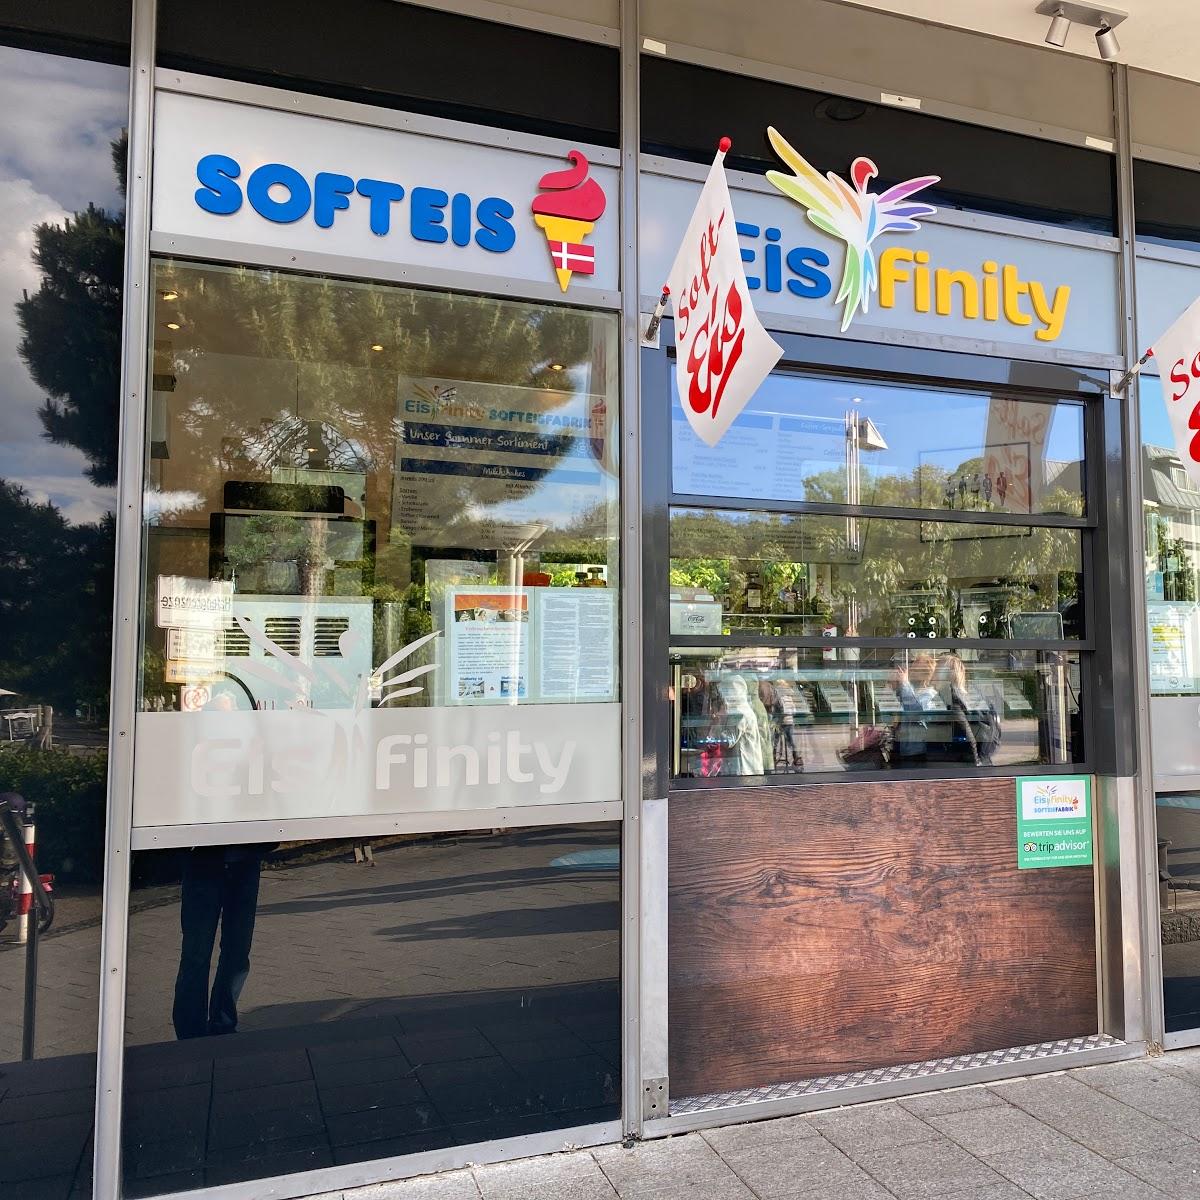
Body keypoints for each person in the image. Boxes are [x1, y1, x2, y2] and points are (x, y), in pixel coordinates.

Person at [172, 843, 269, 1038]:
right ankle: (191, 1033)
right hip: (203, 861)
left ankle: (223, 1024)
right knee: (196, 953)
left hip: (246, 861)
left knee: (238, 951)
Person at [712, 676, 764, 776]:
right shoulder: (744, 709)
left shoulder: (739, 713)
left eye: (725, 692)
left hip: (743, 770)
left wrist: (719, 722)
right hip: (748, 769)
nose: (723, 697)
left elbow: (728, 741)